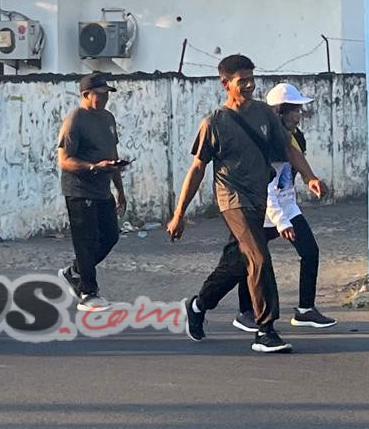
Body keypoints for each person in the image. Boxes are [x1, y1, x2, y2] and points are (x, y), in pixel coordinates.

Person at [167, 54, 325, 354]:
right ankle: (265, 330)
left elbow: (290, 150)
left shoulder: (265, 114)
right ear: (226, 84)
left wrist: (310, 177)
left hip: (260, 198)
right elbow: (198, 168)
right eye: (243, 81)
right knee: (260, 259)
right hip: (232, 199)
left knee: (237, 264)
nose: (250, 85)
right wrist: (179, 214)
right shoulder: (215, 122)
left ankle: (199, 305)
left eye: (252, 79)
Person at [232, 83, 337, 332]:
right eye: (294, 110)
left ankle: (305, 310)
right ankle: (243, 311)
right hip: (262, 208)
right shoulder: (265, 140)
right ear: (279, 111)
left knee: (309, 251)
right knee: (246, 261)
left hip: (287, 204)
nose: (298, 115)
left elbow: (296, 163)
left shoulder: (295, 136)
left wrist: (310, 179)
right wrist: (280, 220)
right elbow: (265, 184)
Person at [57, 72, 129, 311]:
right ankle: (88, 291)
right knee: (85, 241)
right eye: (99, 94)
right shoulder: (75, 119)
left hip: (102, 189)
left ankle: (76, 270)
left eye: (106, 94)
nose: (104, 99)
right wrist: (92, 167)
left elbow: (112, 154)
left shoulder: (107, 118)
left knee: (110, 236)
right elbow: (64, 161)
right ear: (86, 95)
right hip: (79, 189)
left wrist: (120, 189)